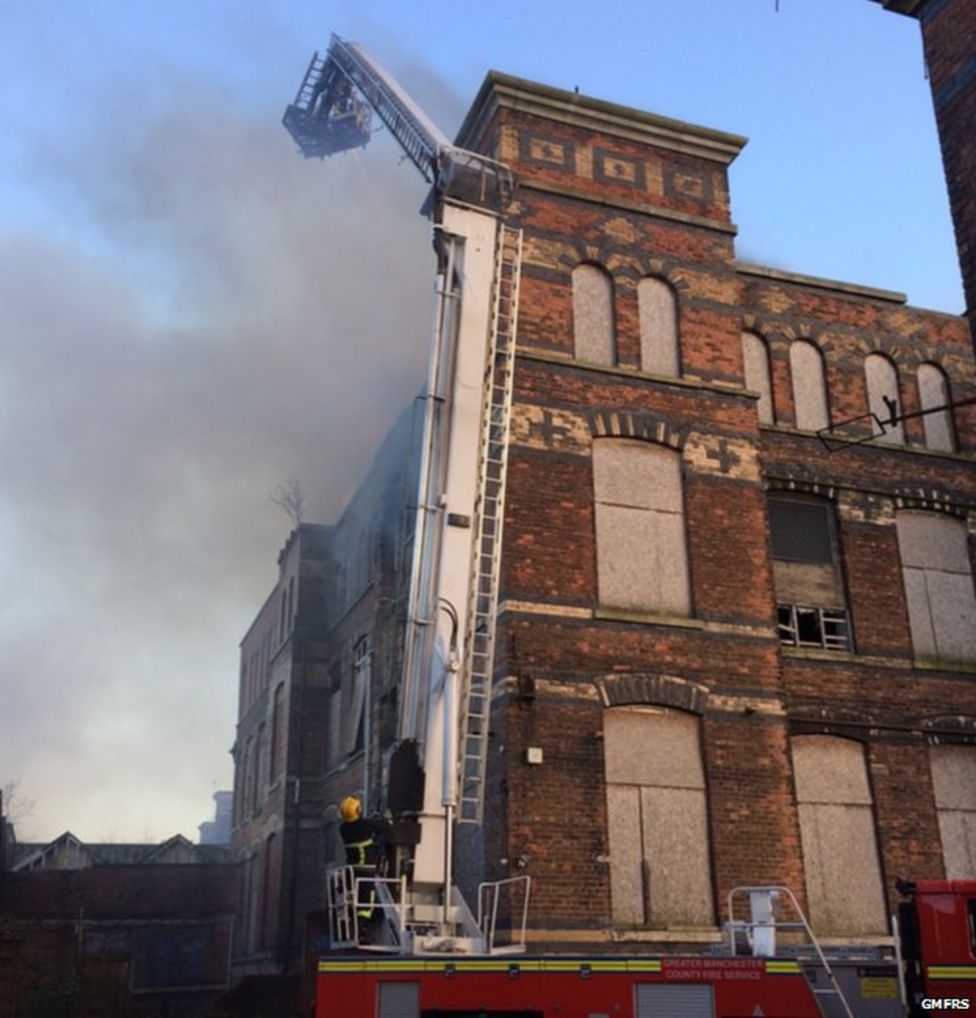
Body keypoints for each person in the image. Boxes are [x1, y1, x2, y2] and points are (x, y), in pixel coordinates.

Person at [338, 795, 390, 928]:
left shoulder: (343, 828)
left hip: (352, 870)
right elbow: (383, 827)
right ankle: (360, 926)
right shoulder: (364, 825)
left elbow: (364, 826)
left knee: (357, 900)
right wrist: (386, 820)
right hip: (366, 869)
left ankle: (357, 925)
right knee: (366, 902)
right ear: (357, 810)